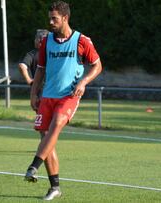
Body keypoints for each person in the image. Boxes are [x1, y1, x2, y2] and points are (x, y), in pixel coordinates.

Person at [24, 0, 103, 201]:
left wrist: (83, 82)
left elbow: (97, 66)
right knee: (46, 139)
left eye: (54, 19)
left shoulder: (81, 40)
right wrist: (34, 94)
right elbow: (40, 70)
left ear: (65, 18)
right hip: (47, 96)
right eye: (49, 18)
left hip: (69, 95)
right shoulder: (46, 42)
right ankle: (55, 187)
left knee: (57, 124)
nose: (50, 22)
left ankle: (33, 166)